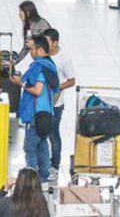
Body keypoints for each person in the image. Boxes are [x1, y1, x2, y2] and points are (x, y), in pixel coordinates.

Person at [11, 35, 60, 183]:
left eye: (32, 49)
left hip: (36, 114)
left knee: (30, 147)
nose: (31, 53)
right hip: (47, 113)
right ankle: (44, 175)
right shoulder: (51, 67)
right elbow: (55, 91)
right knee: (42, 144)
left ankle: (31, 178)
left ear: (39, 49)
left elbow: (38, 90)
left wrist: (21, 84)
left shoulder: (39, 67)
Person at [43, 28, 75, 181]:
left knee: (53, 134)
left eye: (47, 42)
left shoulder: (63, 59)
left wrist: (56, 87)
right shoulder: (43, 54)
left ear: (55, 42)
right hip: (42, 101)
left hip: (56, 104)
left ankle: (54, 165)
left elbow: (71, 80)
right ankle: (43, 163)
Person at [15, 1, 51, 67]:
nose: (19, 14)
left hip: (47, 59)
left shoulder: (41, 25)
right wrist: (14, 61)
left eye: (21, 12)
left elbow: (47, 45)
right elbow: (26, 46)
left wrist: (34, 43)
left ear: (28, 12)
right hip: (39, 59)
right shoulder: (27, 24)